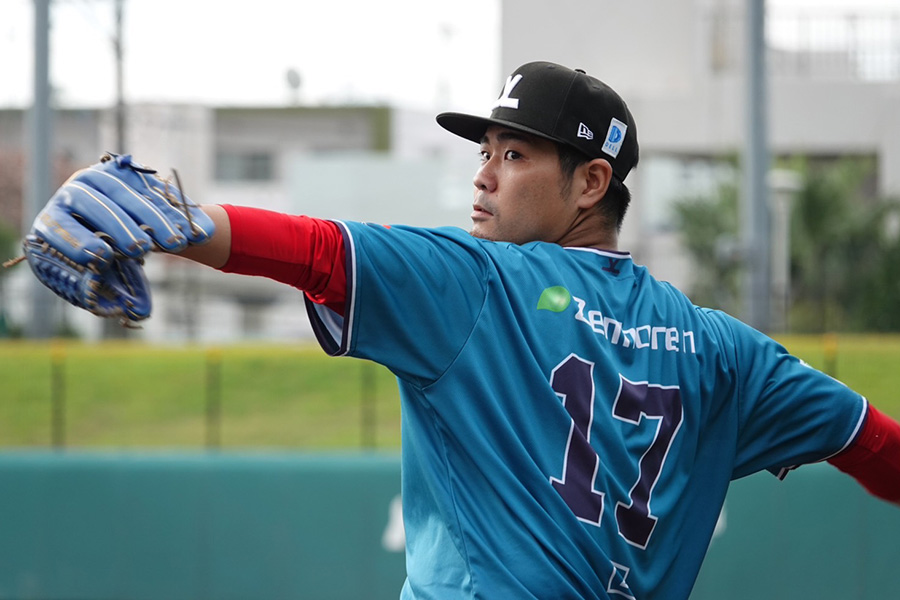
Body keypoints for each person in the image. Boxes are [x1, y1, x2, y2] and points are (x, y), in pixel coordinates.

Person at [25, 61, 900, 599]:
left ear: (592, 183)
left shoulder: (479, 282)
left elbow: (318, 253)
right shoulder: (731, 353)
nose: (483, 175)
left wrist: (173, 217)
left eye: (515, 154)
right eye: (483, 150)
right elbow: (876, 447)